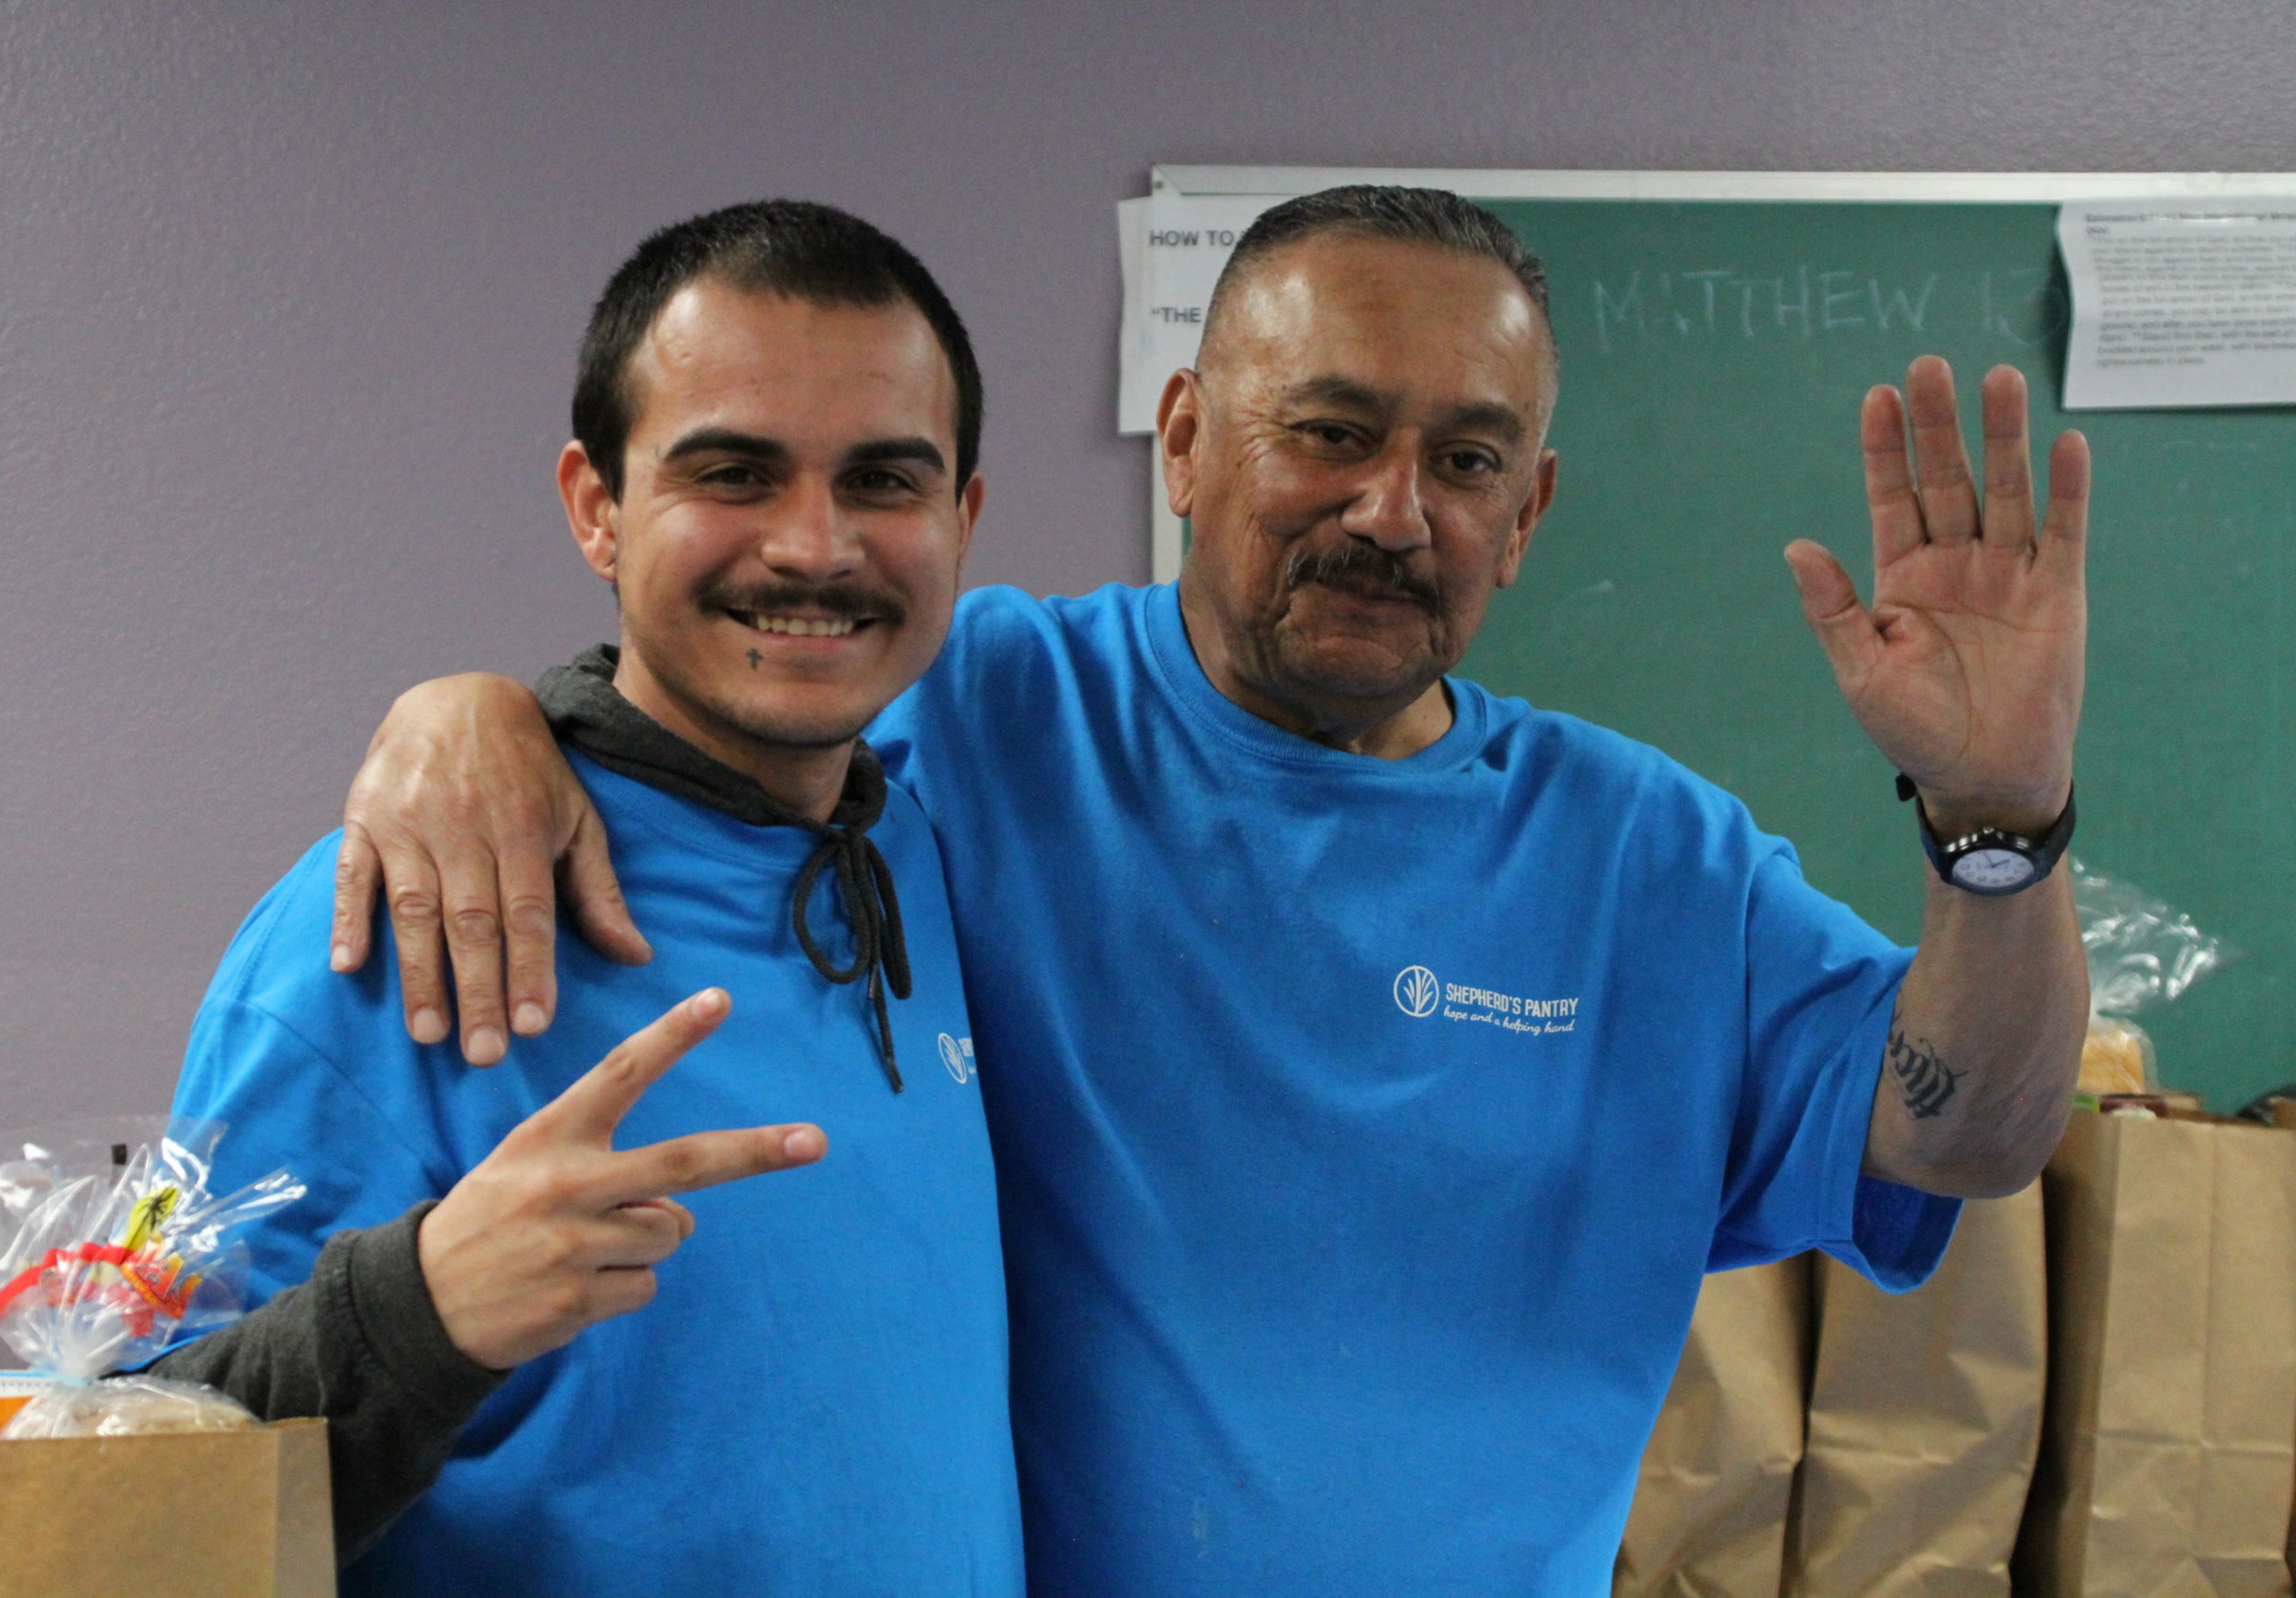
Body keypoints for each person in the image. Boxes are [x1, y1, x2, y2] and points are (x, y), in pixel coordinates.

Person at [331, 186, 2090, 1596]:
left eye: (1468, 461)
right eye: (1328, 431)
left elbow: (1971, 1132)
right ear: (1184, 442)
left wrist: (2000, 817)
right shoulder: (987, 716)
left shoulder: (1658, 863)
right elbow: (736, 689)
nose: (1392, 510)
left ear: (1531, 509)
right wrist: (480, 714)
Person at [154, 200, 1022, 1595]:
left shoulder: (927, 851)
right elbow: (125, 1488)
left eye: (882, 481)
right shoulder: (393, 916)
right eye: (733, 473)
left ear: (960, 519)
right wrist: (419, 1311)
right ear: (597, 508)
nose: (814, 546)